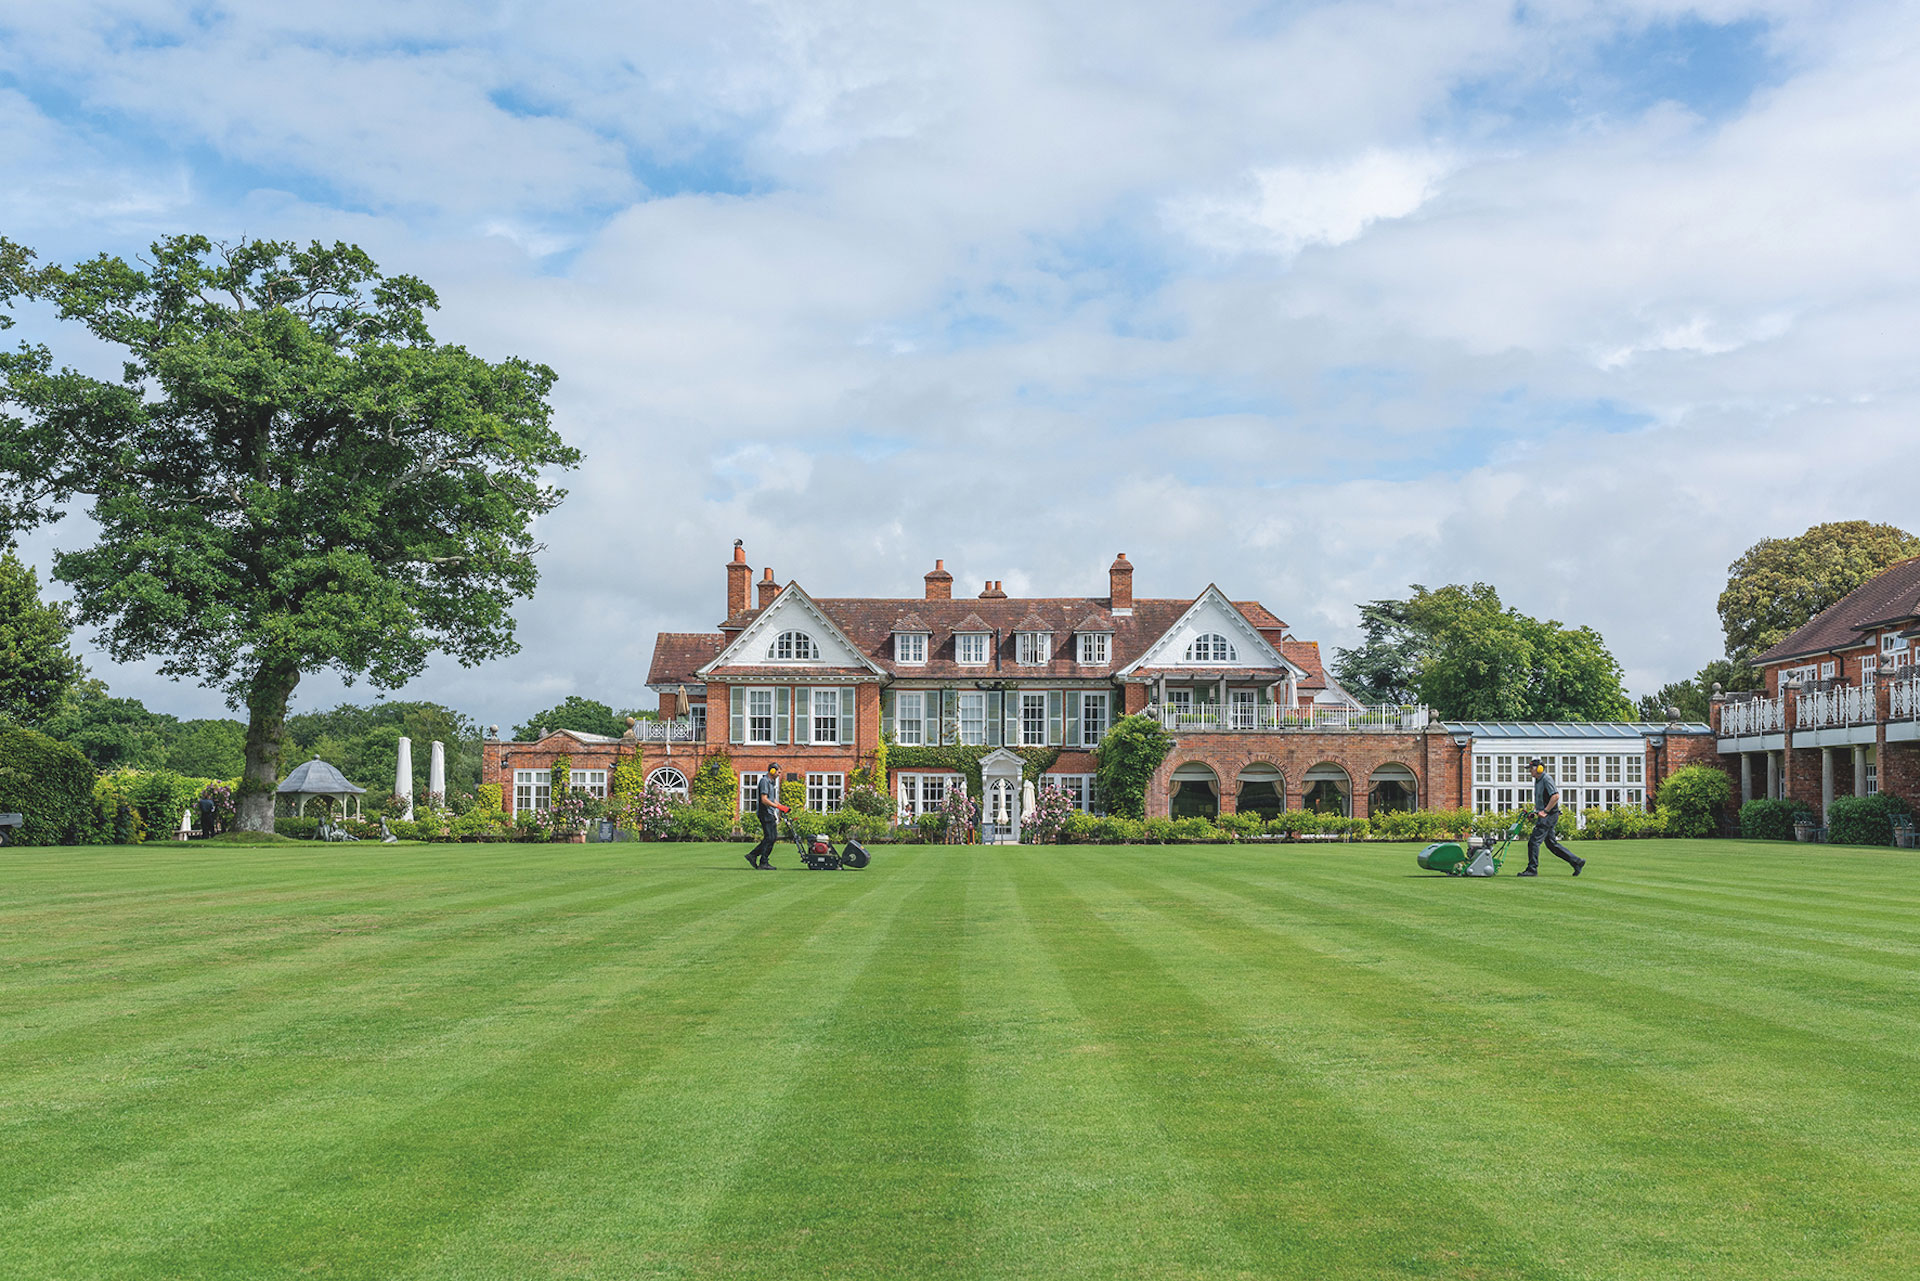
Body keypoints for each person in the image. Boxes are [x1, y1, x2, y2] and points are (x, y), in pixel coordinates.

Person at [1519, 756, 1585, 877]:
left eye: (1531, 769)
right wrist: (1535, 812)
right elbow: (1542, 799)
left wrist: (1545, 811)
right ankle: (1577, 862)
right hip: (1546, 815)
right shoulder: (1538, 781)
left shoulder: (1546, 779)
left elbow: (1555, 796)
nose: (1529, 771)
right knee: (1552, 845)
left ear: (1539, 769)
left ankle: (1532, 869)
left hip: (1549, 816)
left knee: (1534, 842)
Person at [746, 761, 789, 869]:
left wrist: (782, 806)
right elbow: (764, 800)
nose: (779, 775)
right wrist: (777, 807)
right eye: (778, 772)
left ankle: (754, 856)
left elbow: (772, 799)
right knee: (770, 837)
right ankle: (762, 861)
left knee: (772, 837)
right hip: (764, 812)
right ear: (772, 771)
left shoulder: (771, 782)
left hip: (769, 812)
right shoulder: (764, 781)